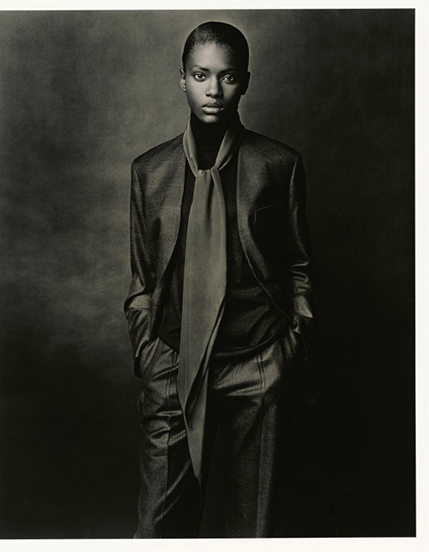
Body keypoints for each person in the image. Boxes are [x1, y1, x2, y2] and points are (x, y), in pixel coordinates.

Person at [124, 21, 318, 538]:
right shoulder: (149, 171)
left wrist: (288, 350)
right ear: (181, 79)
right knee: (157, 530)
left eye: (227, 77)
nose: (213, 90)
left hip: (257, 366)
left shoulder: (279, 165)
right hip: (173, 362)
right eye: (200, 75)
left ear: (245, 82)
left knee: (253, 530)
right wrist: (149, 351)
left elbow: (299, 267)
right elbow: (142, 278)